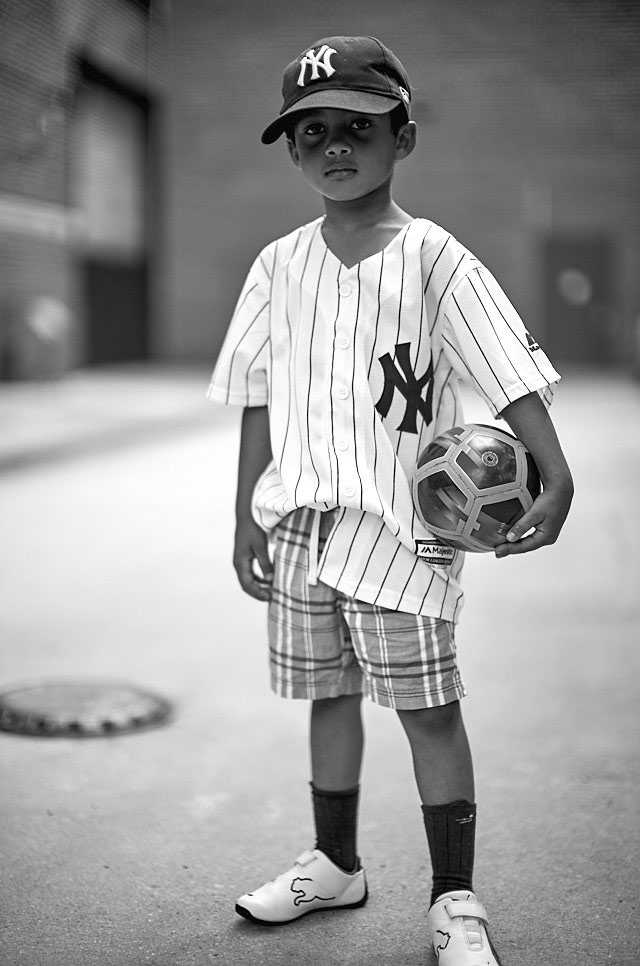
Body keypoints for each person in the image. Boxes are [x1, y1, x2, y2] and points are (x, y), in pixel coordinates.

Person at [207, 35, 573, 966]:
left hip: (400, 532)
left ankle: (455, 898)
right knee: (326, 696)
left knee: (427, 708)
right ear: (293, 151)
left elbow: (507, 366)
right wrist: (247, 507)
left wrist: (554, 470)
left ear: (402, 136)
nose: (335, 146)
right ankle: (335, 863)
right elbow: (257, 387)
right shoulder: (278, 265)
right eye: (312, 132)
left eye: (358, 127)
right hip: (302, 522)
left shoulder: (435, 259)